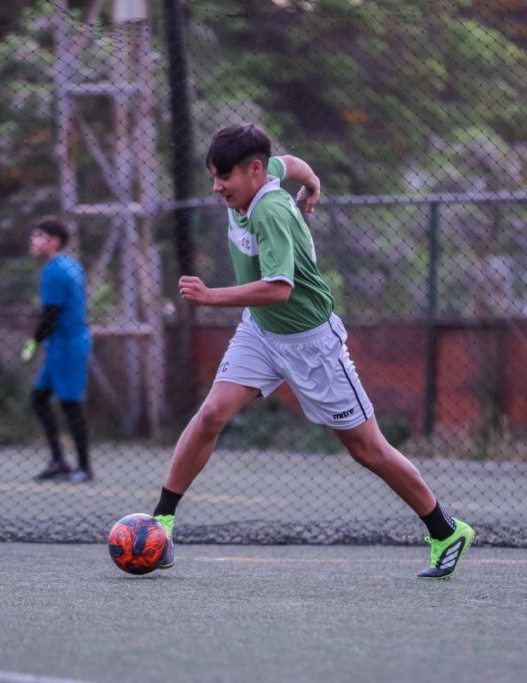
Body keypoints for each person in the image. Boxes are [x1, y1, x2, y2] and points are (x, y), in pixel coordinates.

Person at [151, 124, 475, 579]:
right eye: (213, 176)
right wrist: (313, 183)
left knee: (368, 449)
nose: (217, 187)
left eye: (224, 176)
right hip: (261, 333)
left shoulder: (270, 212)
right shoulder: (262, 175)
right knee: (211, 414)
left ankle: (446, 530)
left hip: (311, 345)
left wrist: (210, 296)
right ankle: (161, 522)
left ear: (253, 171)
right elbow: (292, 163)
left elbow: (278, 288)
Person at [22, 217, 93, 483]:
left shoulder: (54, 271)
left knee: (71, 404)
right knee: (39, 398)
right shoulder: (70, 265)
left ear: (53, 241)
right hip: (60, 345)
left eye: (39, 235)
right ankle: (59, 461)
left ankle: (84, 467)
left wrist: (34, 341)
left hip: (67, 345)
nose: (33, 240)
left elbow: (51, 313)